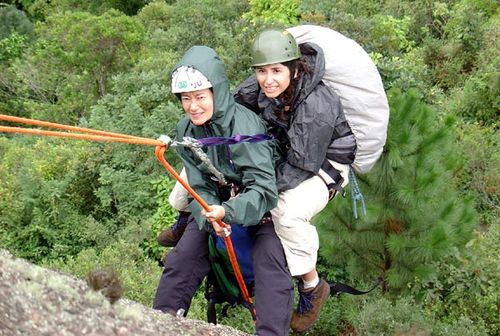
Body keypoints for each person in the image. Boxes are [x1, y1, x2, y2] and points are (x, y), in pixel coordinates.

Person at [153, 45, 293, 336]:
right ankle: (160, 323)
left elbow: (264, 191)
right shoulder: (187, 129)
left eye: (200, 97)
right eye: (186, 99)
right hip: (215, 204)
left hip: (257, 208)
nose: (193, 106)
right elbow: (199, 183)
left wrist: (227, 211)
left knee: (270, 266)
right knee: (183, 258)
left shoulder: (244, 126)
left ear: (216, 92)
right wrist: (209, 214)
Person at [233, 28, 357, 333]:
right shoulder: (265, 84)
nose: (268, 79)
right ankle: (186, 216)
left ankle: (312, 285)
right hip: (290, 147)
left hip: (324, 163)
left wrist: (257, 189)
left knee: (285, 212)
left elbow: (302, 165)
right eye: (262, 71)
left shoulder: (316, 104)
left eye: (276, 70)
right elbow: (235, 101)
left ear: (293, 67)